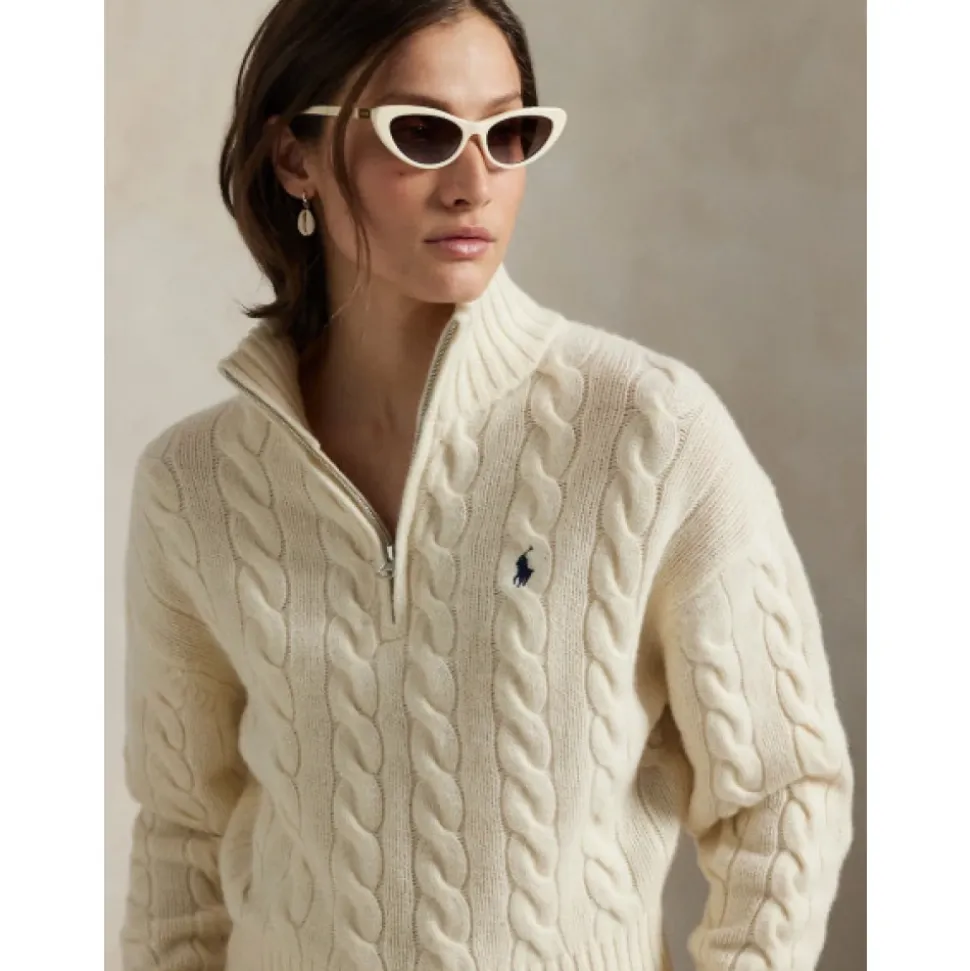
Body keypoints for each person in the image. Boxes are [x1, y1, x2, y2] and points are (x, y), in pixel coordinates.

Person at [120, 1, 853, 969]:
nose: (474, 182)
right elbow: (182, 841)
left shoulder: (649, 432)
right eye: (422, 133)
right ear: (294, 156)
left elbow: (784, 792)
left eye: (508, 134)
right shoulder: (193, 486)